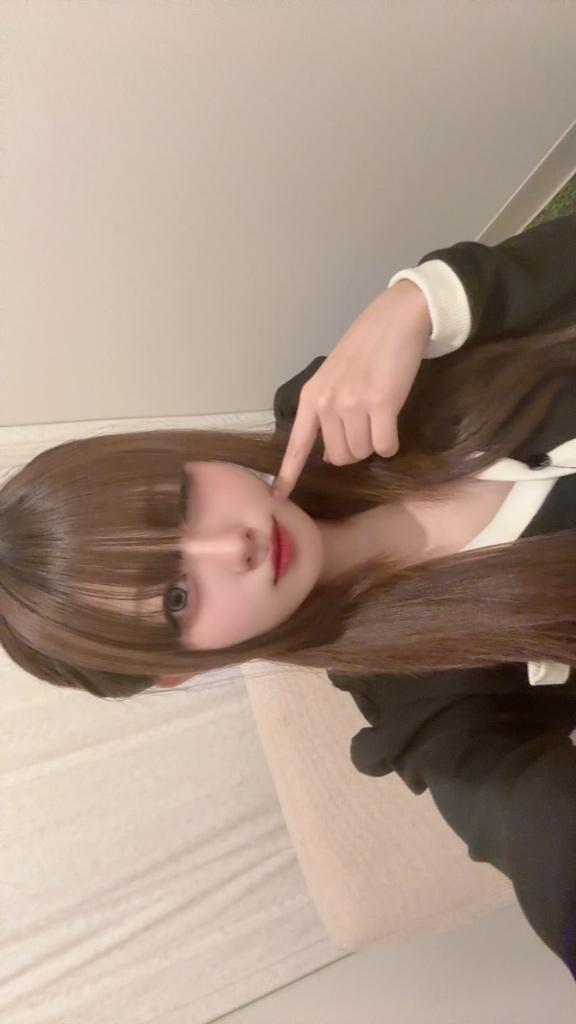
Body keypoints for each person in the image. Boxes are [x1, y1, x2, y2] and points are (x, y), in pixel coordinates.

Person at [1, 213, 576, 976]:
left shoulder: (338, 402)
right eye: (176, 599)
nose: (230, 547)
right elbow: (534, 826)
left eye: (179, 505)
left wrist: (426, 300)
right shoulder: (428, 704)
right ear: (176, 671)